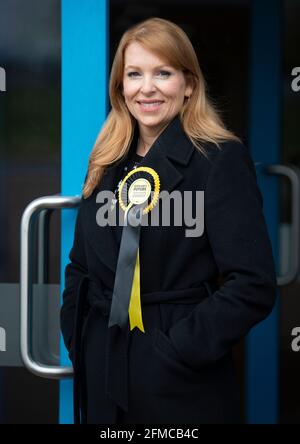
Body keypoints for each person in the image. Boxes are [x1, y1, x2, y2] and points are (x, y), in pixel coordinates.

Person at [60, 17, 277, 424]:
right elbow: (80, 266)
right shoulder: (106, 161)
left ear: (189, 83)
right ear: (120, 88)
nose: (147, 88)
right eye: (135, 74)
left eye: (163, 73)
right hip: (104, 366)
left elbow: (253, 285)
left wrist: (176, 351)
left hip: (179, 377)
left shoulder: (219, 159)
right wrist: (80, 341)